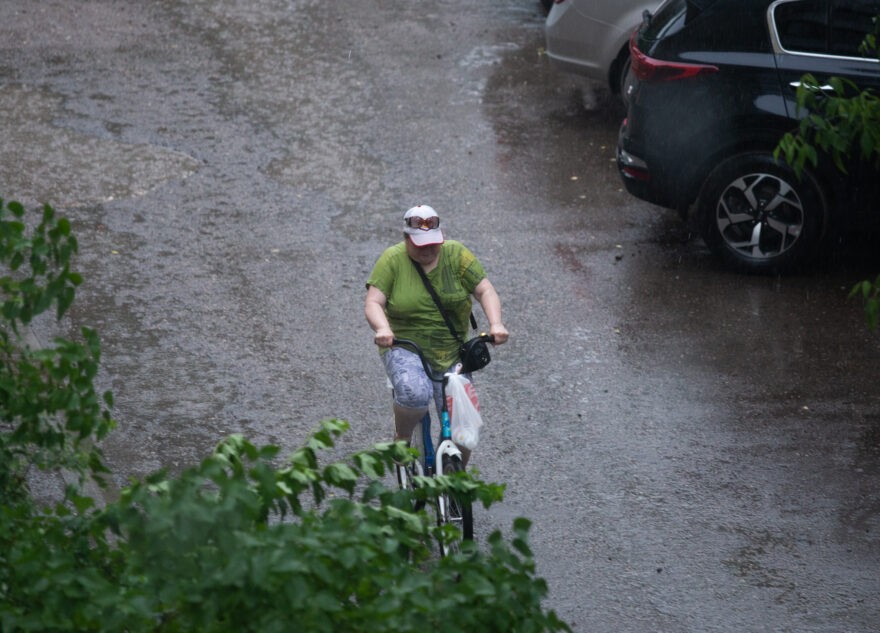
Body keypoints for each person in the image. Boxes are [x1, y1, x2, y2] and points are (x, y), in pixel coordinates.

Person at [364, 204, 509, 464]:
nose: (429, 249)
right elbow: (374, 302)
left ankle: (456, 481)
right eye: (420, 245)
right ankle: (402, 437)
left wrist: (496, 323)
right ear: (407, 238)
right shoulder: (392, 260)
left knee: (463, 427)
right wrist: (383, 329)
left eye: (433, 243)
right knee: (415, 393)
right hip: (406, 347)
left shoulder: (456, 255)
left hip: (452, 350)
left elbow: (485, 290)